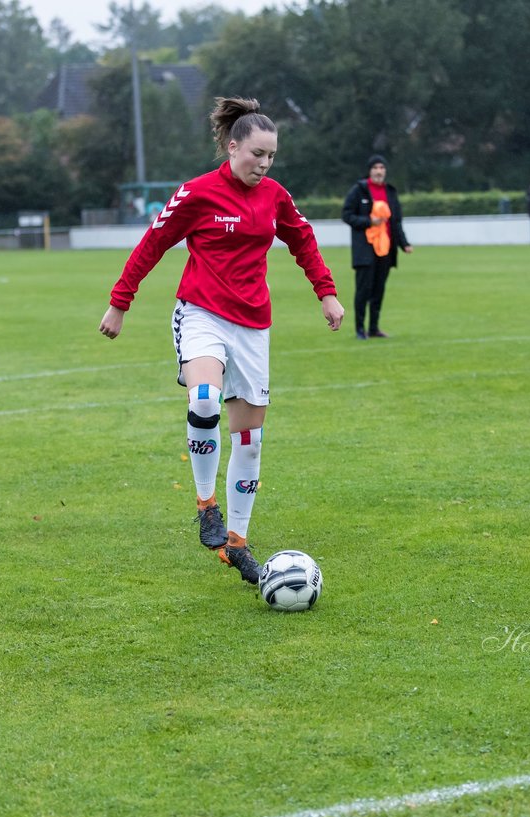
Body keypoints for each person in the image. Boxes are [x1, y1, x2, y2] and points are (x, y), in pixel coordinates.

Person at [99, 96, 344, 584]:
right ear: (233, 147)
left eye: (271, 156)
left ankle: (236, 544)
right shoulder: (196, 194)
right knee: (205, 400)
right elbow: (152, 244)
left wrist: (327, 293)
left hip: (253, 326)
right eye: (257, 154)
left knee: (249, 442)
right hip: (202, 314)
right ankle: (205, 504)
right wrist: (119, 302)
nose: (264, 164)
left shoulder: (275, 196)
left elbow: (303, 241)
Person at [341, 154, 411, 339]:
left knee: (378, 290)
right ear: (370, 171)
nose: (379, 171)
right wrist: (368, 221)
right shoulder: (359, 190)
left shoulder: (390, 192)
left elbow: (396, 221)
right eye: (375, 168)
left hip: (386, 249)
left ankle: (374, 328)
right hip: (365, 249)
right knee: (363, 290)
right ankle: (359, 329)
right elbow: (347, 215)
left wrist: (404, 244)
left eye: (382, 168)